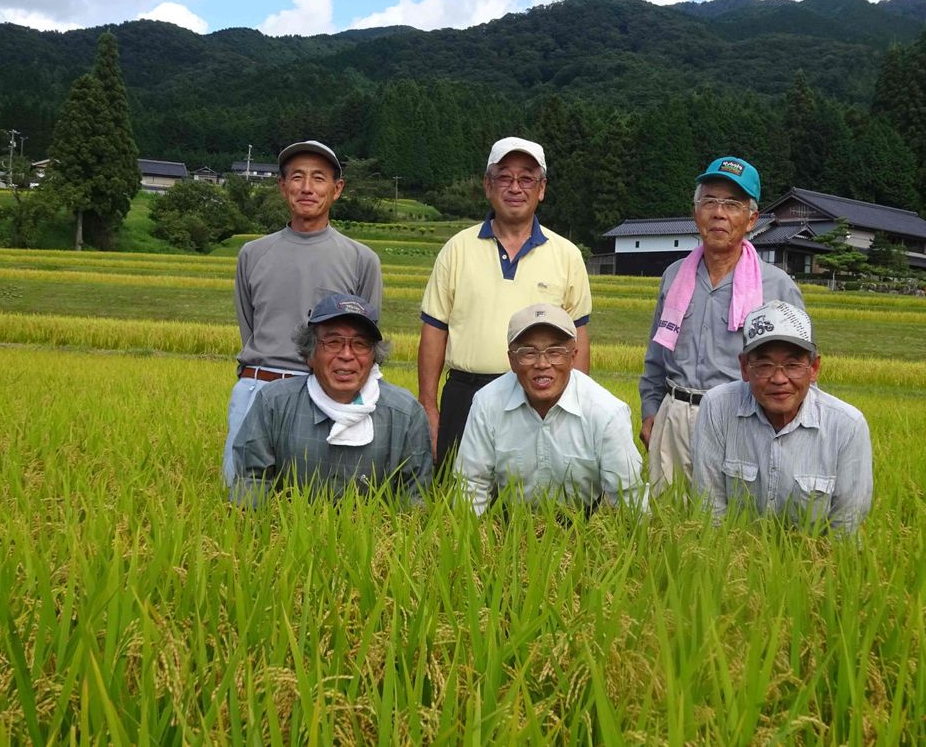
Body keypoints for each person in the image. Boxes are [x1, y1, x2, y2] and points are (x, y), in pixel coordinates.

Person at [419, 136, 593, 479]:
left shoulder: (567, 254)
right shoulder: (457, 249)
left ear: (541, 189)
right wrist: (429, 407)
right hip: (465, 396)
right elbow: (433, 330)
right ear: (488, 185)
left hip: (538, 398)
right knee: (456, 502)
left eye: (527, 178)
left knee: (533, 503)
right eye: (505, 177)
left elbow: (579, 339)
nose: (516, 187)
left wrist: (576, 410)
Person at [639, 156, 804, 494]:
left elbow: (797, 369)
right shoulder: (674, 276)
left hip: (741, 419)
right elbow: (657, 354)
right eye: (710, 201)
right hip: (674, 415)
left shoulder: (776, 286)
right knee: (665, 524)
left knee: (733, 525)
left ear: (751, 219)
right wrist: (650, 409)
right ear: (695, 211)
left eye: (732, 204)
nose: (719, 212)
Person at [222, 140, 382, 485]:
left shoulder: (361, 259)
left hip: (323, 395)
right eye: (297, 177)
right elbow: (249, 328)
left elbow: (365, 343)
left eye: (319, 178)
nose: (307, 188)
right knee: (243, 498)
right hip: (257, 387)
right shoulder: (252, 254)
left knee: (314, 503)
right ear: (283, 187)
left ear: (337, 189)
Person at [230, 293, 433, 506]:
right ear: (310, 354)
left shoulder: (405, 413)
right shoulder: (273, 404)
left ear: (374, 356)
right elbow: (251, 484)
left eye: (360, 344)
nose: (346, 354)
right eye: (333, 342)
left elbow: (414, 501)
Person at [691, 300, 872, 533]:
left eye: (793, 364)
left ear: (814, 368)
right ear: (745, 367)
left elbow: (845, 528)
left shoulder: (847, 426)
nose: (779, 378)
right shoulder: (717, 407)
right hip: (731, 556)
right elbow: (710, 512)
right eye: (765, 365)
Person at [454, 303, 647, 516]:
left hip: (584, 525)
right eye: (528, 352)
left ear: (573, 356)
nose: (542, 363)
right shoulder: (487, 404)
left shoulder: (607, 412)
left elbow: (628, 498)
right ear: (512, 360)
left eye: (555, 352)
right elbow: (472, 486)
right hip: (511, 527)